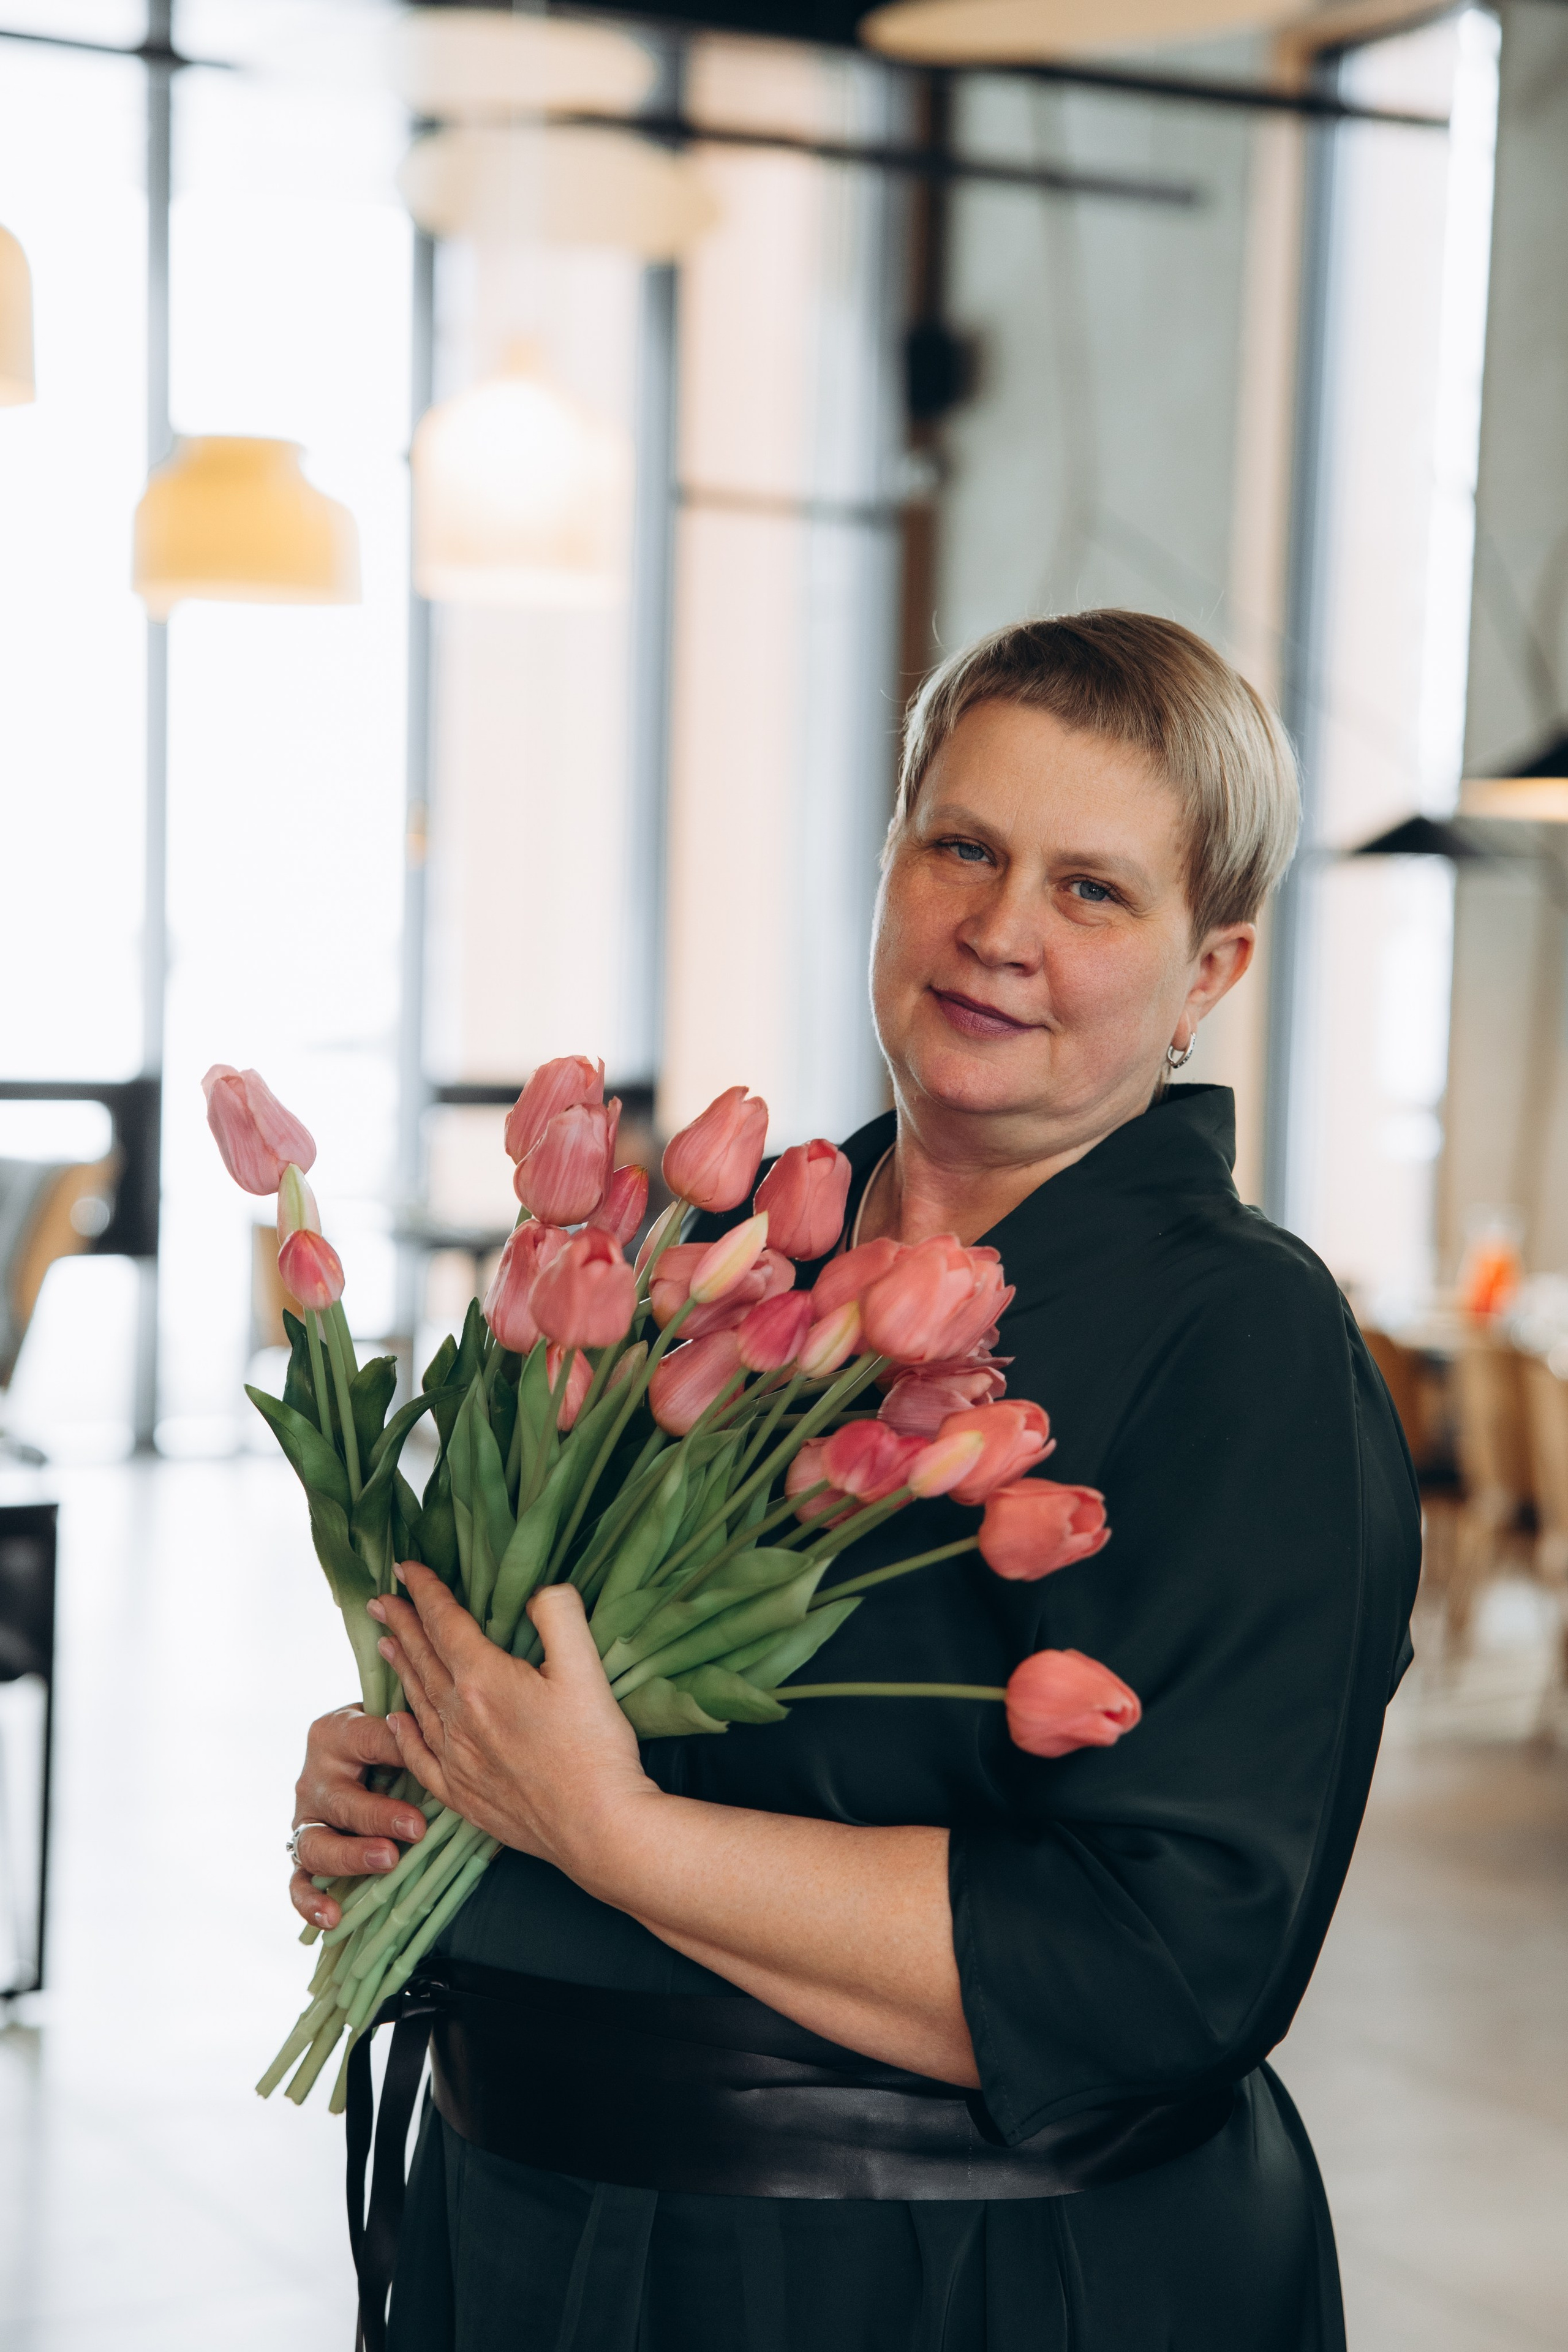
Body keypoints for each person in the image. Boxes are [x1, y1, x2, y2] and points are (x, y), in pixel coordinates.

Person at [292, 611, 1420, 2351]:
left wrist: (614, 1834)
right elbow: (570, 1711)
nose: (1000, 931)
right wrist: (423, 1767)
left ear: (1210, 971)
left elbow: (1165, 1966)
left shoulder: (1244, 1343)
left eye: (1092, 890)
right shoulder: (713, 1271)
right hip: (528, 2236)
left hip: (935, 2286)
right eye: (962, 847)